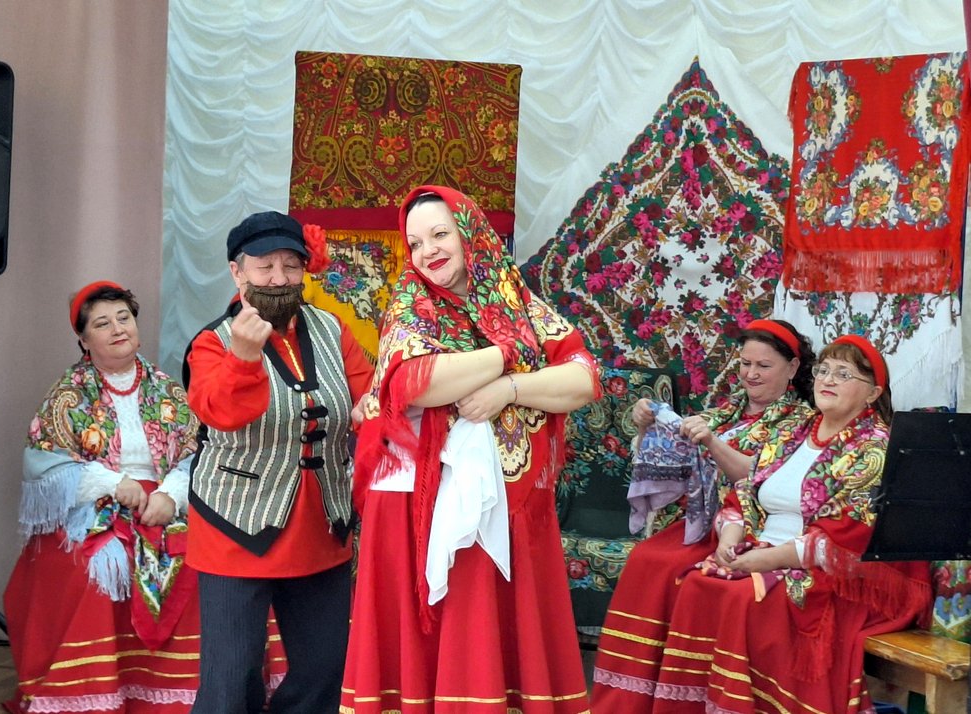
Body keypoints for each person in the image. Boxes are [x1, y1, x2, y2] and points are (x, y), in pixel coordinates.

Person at [340, 185, 602, 713]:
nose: (428, 252)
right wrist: (507, 352)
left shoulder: (517, 301)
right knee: (439, 637)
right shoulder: (411, 305)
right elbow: (417, 382)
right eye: (416, 243)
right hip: (419, 502)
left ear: (471, 235)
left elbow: (582, 379)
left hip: (509, 498)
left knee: (494, 634)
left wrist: (510, 389)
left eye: (440, 234)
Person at [591, 334, 931, 713]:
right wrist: (730, 538)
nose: (828, 380)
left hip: (832, 575)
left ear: (872, 394)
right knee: (698, 586)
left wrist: (764, 560)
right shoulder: (794, 433)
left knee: (741, 598)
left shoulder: (874, 449)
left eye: (843, 374)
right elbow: (744, 492)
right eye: (824, 371)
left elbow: (845, 536)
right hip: (764, 551)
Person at [183, 211, 373, 714]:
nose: (278, 278)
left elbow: (368, 397)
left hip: (322, 527)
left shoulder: (333, 330)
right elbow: (220, 413)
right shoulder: (212, 342)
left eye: (290, 265)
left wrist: (368, 413)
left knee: (324, 672)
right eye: (264, 265)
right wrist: (244, 357)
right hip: (235, 527)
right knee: (231, 681)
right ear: (237, 272)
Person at [5, 280, 201, 713]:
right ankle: (95, 691)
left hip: (162, 502)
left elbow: (195, 455)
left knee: (200, 555)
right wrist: (113, 484)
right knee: (97, 565)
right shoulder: (68, 394)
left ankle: (178, 692)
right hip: (92, 503)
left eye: (124, 318)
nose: (117, 329)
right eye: (102, 323)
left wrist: (170, 495)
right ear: (83, 339)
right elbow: (45, 462)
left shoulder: (166, 389)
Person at [628, 319, 816, 538]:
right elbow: (662, 463)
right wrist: (647, 426)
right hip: (686, 520)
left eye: (763, 366)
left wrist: (711, 442)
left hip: (738, 529)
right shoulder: (722, 414)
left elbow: (759, 475)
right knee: (644, 556)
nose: (751, 374)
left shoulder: (802, 422)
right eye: (746, 363)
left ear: (792, 368)